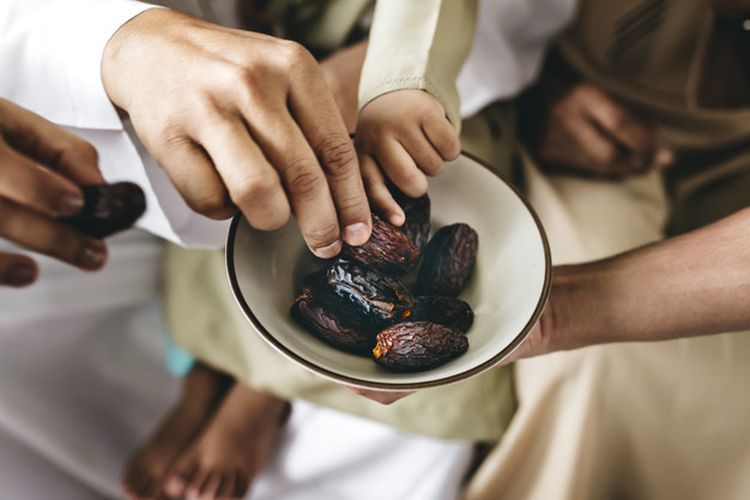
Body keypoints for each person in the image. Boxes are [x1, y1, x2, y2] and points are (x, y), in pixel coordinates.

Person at [0, 1, 474, 499]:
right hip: (190, 77)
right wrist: (121, 41)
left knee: (324, 217)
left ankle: (261, 384)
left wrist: (395, 80)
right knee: (233, 221)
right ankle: (210, 369)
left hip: (391, 86)